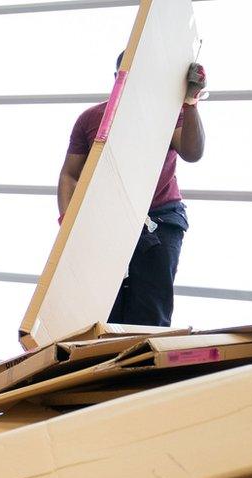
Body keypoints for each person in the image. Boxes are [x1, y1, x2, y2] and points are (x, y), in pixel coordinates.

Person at [57, 52, 206, 327]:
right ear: (116, 78)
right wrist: (68, 224)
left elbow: (192, 152)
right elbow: (69, 175)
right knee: (103, 312)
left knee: (149, 314)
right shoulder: (91, 119)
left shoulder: (166, 115)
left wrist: (191, 102)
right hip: (107, 219)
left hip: (158, 220)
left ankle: (146, 367)